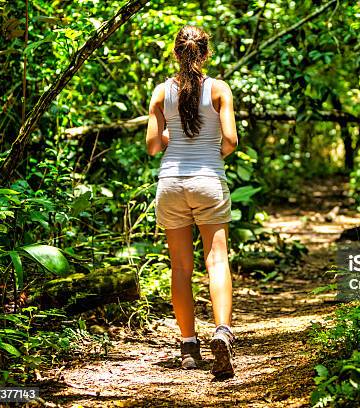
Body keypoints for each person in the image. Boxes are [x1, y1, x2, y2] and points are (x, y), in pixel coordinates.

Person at [145, 25, 238, 378]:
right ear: (206, 53)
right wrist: (211, 154)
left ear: (175, 53)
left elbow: (154, 145)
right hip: (208, 180)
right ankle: (222, 332)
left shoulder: (159, 92)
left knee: (181, 268)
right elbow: (230, 139)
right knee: (216, 260)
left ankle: (187, 345)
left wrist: (172, 136)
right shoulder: (218, 89)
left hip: (170, 184)